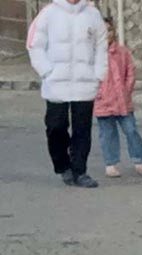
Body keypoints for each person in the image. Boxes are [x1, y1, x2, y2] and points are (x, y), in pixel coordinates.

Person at [26, 0, 107, 189]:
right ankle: (62, 165)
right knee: (56, 126)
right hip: (56, 84)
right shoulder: (48, 14)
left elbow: (101, 46)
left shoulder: (93, 14)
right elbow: (34, 45)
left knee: (82, 130)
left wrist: (98, 75)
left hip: (84, 83)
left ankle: (80, 171)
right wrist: (46, 71)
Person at [94, 18, 142, 179]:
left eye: (109, 30)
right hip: (102, 101)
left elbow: (130, 73)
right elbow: (89, 77)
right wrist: (97, 93)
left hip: (122, 101)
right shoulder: (93, 54)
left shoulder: (122, 52)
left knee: (131, 130)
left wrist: (126, 90)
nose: (107, 34)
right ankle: (110, 163)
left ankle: (139, 161)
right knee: (107, 133)